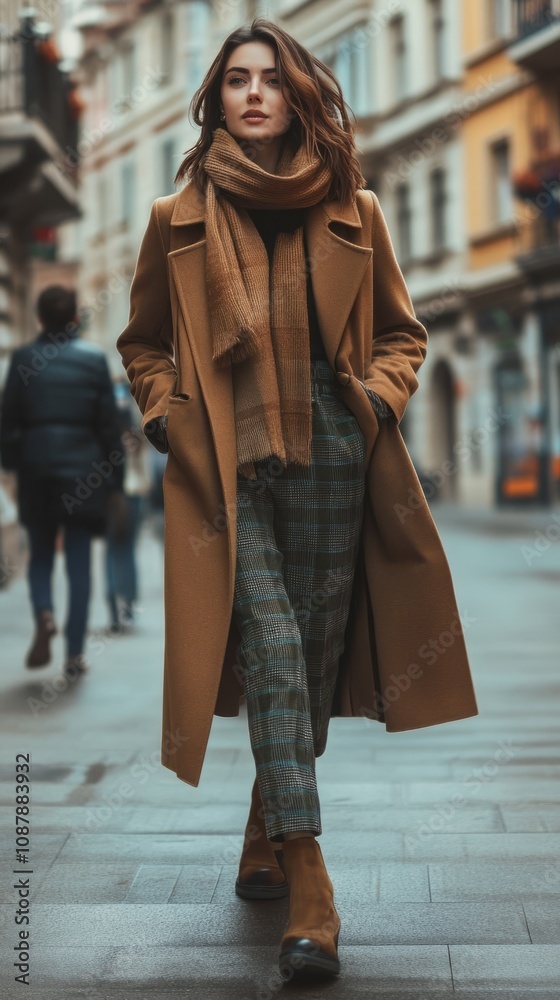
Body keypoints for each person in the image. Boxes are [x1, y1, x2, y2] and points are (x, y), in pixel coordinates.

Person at [116, 19, 478, 981]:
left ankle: (262, 827)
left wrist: (374, 402)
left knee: (306, 673)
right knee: (271, 648)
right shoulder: (174, 217)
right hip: (227, 473)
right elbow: (142, 342)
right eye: (235, 80)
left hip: (334, 461)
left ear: (298, 95)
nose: (253, 94)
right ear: (217, 98)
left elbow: (405, 334)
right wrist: (167, 417)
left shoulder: (354, 209)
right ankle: (312, 889)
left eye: (271, 80)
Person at [0, 286, 125, 676]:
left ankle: (44, 612)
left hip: (38, 470)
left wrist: (16, 464)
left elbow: (7, 424)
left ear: (39, 318)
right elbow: (109, 427)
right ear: (74, 318)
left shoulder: (22, 358)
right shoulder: (93, 360)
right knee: (79, 561)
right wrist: (114, 481)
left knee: (39, 553)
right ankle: (74, 653)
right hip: (84, 474)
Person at [104, 378, 152, 634]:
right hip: (132, 493)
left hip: (110, 494)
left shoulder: (104, 426)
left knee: (113, 550)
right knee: (127, 550)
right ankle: (128, 607)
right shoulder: (136, 424)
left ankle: (115, 607)